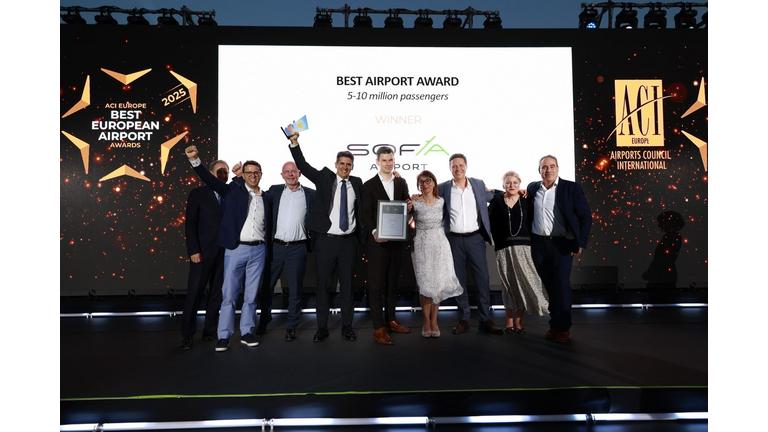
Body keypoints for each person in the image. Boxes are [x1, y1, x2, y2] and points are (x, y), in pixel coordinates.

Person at [185, 145, 271, 352]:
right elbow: (210, 180)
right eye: (248, 172)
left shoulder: (266, 197)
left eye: (256, 172)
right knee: (229, 296)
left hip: (258, 251)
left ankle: (247, 332)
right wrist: (195, 160)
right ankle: (223, 335)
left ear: (261, 174)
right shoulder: (233, 191)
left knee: (251, 296)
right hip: (236, 250)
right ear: (243, 175)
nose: (252, 175)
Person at [287, 132, 364, 343]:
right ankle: (322, 328)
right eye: (342, 163)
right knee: (322, 286)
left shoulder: (357, 183)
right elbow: (303, 165)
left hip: (348, 242)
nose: (345, 167)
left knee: (347, 287)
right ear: (336, 164)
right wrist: (294, 143)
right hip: (326, 241)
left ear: (352, 167)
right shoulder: (324, 178)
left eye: (348, 164)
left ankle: (347, 327)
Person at [527, 155, 592, 344]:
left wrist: (580, 242)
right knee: (550, 287)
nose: (548, 170)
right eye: (544, 167)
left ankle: (563, 328)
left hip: (561, 245)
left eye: (552, 166)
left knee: (561, 287)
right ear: (539, 170)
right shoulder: (533, 188)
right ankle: (554, 325)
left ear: (557, 168)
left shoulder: (571, 188)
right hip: (539, 245)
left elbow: (585, 216)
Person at [437, 154, 503, 335]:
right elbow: (429, 198)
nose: (458, 168)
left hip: (475, 239)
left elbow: (492, 195)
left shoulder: (478, 184)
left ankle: (485, 318)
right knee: (458, 280)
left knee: (482, 278)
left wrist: (514, 191)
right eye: (454, 166)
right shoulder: (443, 188)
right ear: (450, 168)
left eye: (461, 165)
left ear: (466, 166)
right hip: (453, 240)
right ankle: (464, 318)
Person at [255, 162, 315, 342]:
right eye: (287, 172)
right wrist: (237, 178)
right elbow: (253, 193)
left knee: (295, 290)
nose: (290, 174)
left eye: (293, 171)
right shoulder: (274, 191)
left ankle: (291, 327)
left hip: (298, 248)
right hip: (276, 248)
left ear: (299, 173)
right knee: (266, 287)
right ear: (282, 175)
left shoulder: (310, 194)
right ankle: (264, 320)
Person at [362, 147, 412, 345]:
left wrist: (409, 206)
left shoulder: (401, 182)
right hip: (378, 243)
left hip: (397, 242)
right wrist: (375, 232)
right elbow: (365, 214)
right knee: (376, 285)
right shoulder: (368, 185)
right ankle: (378, 327)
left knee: (393, 283)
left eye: (391, 160)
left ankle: (391, 320)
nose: (388, 163)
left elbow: (406, 207)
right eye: (384, 160)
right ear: (377, 162)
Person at [488, 171, 548, 334]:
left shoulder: (526, 200)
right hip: (504, 248)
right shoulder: (497, 201)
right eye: (508, 183)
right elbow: (490, 222)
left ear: (520, 184)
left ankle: (519, 320)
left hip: (524, 247)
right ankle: (509, 319)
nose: (512, 185)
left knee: (522, 282)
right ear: (503, 185)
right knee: (508, 285)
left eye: (515, 183)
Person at [180, 160, 228, 350]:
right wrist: (193, 250)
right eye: (219, 171)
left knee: (216, 294)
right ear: (210, 173)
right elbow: (190, 224)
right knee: (194, 294)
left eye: (225, 171)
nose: (223, 174)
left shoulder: (229, 193)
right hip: (202, 253)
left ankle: (209, 331)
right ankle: (187, 335)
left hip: (225, 253)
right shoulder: (197, 194)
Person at [411, 170, 463, 338]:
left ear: (434, 182)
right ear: (418, 185)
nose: (425, 184)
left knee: (438, 283)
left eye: (428, 181)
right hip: (422, 245)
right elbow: (405, 220)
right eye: (421, 181)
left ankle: (434, 321)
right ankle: (426, 321)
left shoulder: (442, 201)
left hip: (440, 245)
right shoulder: (414, 202)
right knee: (425, 284)